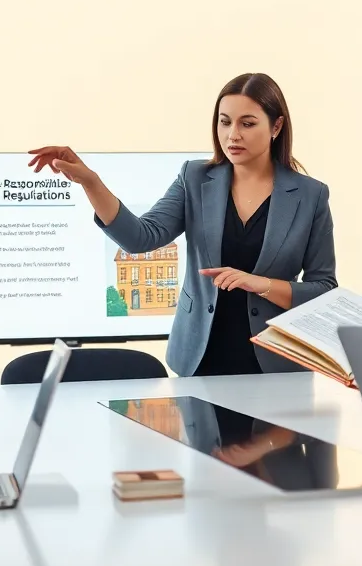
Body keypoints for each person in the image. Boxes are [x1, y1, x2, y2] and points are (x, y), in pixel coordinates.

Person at [29, 72, 337, 376]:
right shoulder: (194, 178)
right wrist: (91, 182)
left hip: (275, 364)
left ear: (277, 126)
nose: (233, 135)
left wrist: (262, 284)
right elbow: (140, 237)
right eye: (224, 121)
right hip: (199, 359)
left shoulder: (310, 196)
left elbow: (323, 290)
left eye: (247, 123)